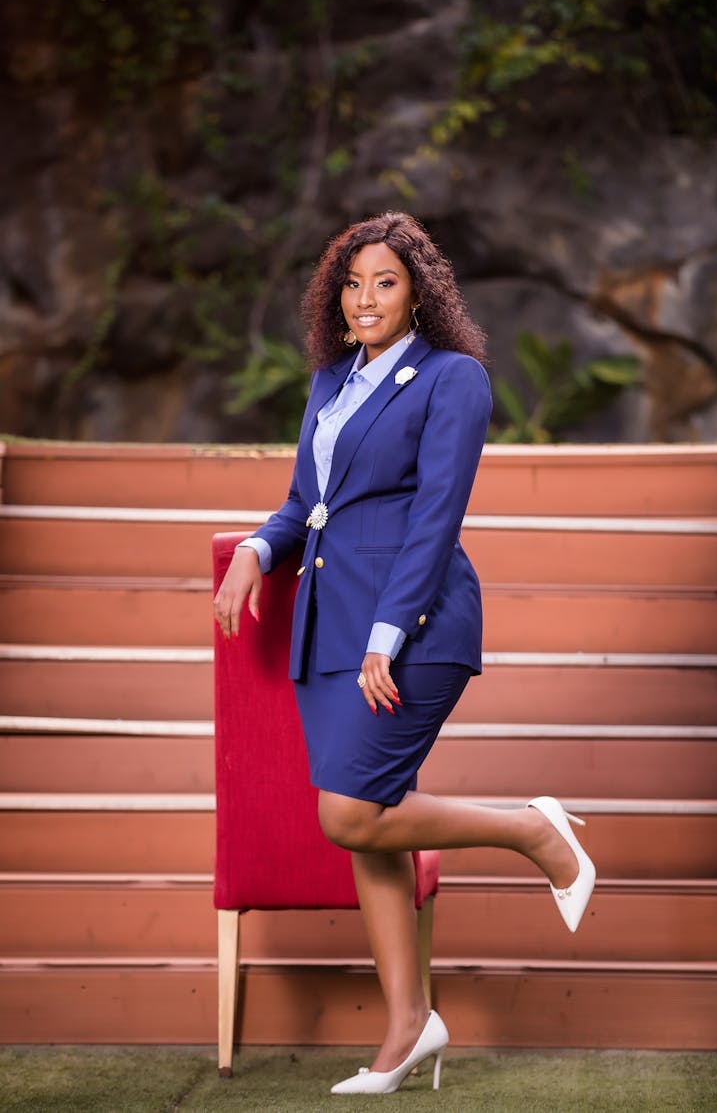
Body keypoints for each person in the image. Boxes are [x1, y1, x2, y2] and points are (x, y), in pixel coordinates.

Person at [212, 211, 595, 1096]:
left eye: (385, 281)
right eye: (353, 283)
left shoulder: (453, 378)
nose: (367, 297)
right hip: (326, 626)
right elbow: (305, 499)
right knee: (371, 825)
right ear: (335, 300)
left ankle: (534, 828)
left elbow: (437, 514)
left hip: (413, 626)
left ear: (419, 290)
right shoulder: (331, 381)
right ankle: (408, 1025)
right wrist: (255, 557)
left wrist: (391, 633)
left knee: (349, 813)